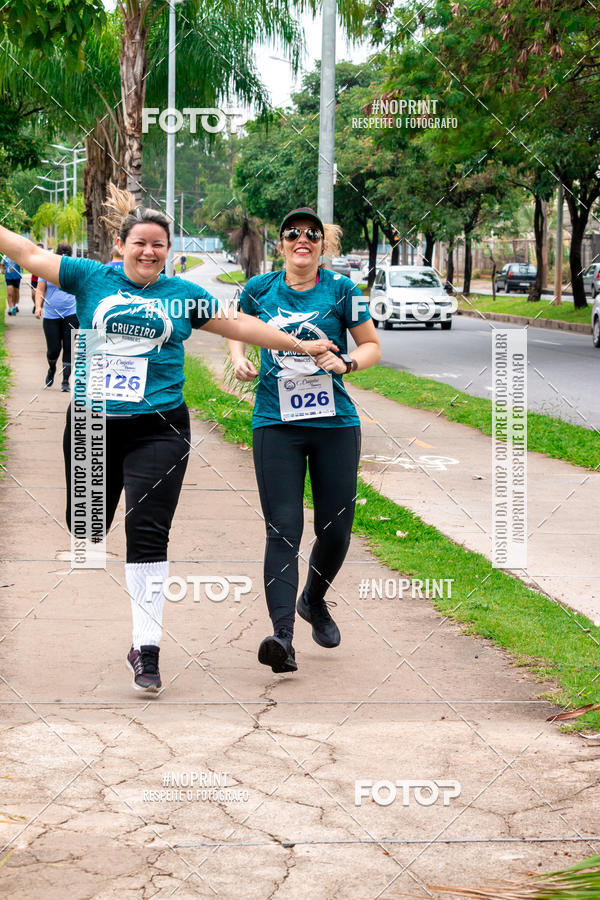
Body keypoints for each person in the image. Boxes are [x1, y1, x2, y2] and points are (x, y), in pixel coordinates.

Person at [0, 187, 336, 692]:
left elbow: (241, 323)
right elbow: (26, 252)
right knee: (86, 531)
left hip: (160, 428)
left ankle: (147, 649)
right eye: (140, 242)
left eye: (158, 244)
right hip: (93, 424)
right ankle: (101, 552)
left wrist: (298, 344)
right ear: (121, 245)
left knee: (148, 534)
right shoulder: (89, 277)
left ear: (168, 251)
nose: (149, 251)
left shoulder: (183, 295)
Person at [227, 207, 381, 674]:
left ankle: (313, 598)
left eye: (312, 234)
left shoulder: (343, 290)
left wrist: (348, 363)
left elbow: (371, 345)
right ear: (281, 244)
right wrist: (238, 357)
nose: (303, 239)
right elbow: (235, 325)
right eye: (293, 233)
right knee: (283, 528)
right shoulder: (260, 289)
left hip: (335, 424)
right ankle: (283, 637)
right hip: (276, 423)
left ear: (322, 245)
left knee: (336, 529)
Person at [34, 242, 79, 391]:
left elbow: (83, 291)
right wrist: (38, 306)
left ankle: (65, 380)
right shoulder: (46, 269)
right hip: (51, 315)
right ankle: (52, 368)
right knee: (53, 349)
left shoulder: (75, 270)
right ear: (57, 256)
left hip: (71, 313)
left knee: (69, 347)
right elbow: (40, 290)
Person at [31, 243, 44, 313]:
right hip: (34, 279)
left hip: (42, 279)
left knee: (41, 295)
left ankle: (39, 307)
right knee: (33, 295)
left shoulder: (45, 258)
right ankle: (36, 305)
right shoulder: (32, 258)